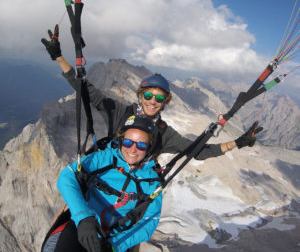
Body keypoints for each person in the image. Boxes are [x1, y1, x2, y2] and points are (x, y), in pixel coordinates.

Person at [41, 25, 262, 162]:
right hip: (104, 168)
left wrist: (238, 143)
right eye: (148, 96)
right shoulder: (119, 111)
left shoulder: (165, 133)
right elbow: (85, 90)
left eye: (159, 98)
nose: (153, 102)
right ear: (140, 96)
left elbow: (199, 151)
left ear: (165, 102)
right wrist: (58, 58)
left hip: (130, 187)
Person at [37, 115, 162, 252]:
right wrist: (83, 218)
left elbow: (149, 221)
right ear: (121, 141)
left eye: (141, 145)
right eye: (128, 142)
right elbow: (67, 176)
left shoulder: (152, 182)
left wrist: (116, 246)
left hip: (116, 241)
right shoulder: (104, 158)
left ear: (150, 147)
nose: (133, 149)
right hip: (81, 227)